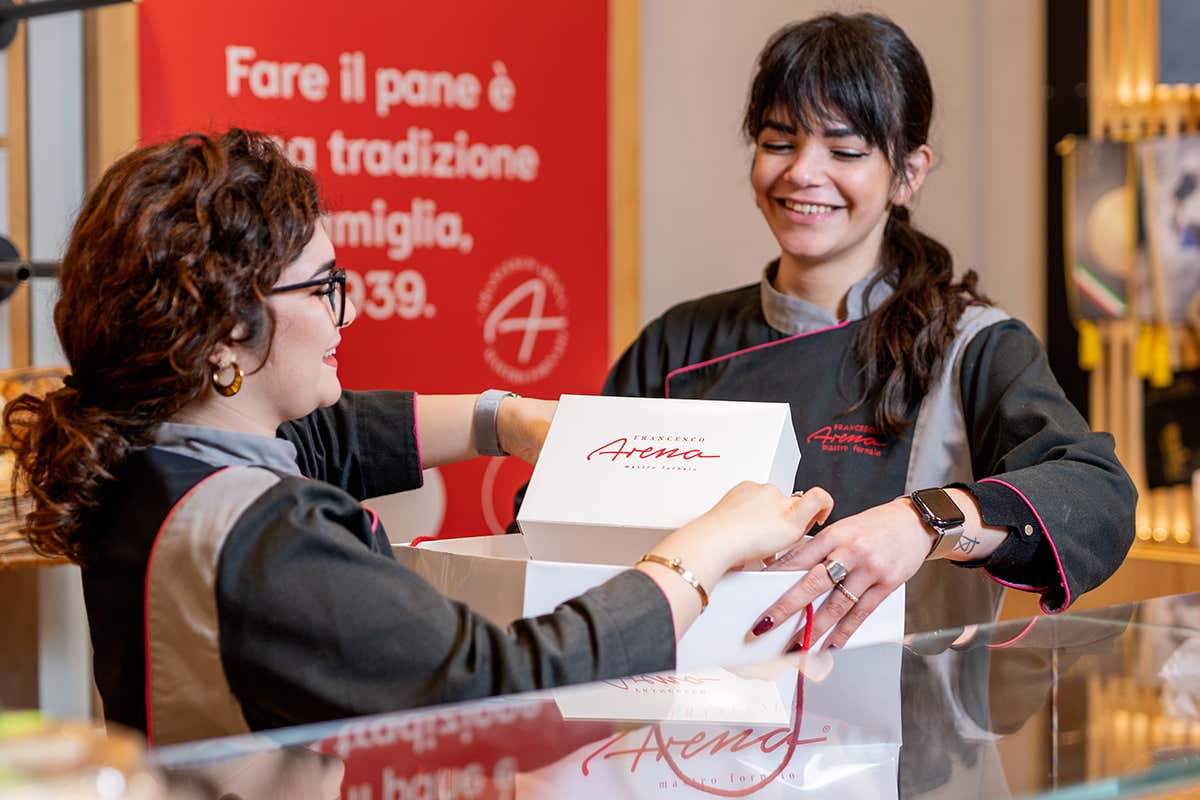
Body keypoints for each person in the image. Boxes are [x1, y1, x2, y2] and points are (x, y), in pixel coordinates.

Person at [2, 129, 834, 746]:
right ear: (224, 331)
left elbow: (325, 440)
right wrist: (703, 549)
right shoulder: (269, 538)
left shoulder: (151, 451)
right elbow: (505, 691)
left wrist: (504, 421)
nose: (348, 312)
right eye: (324, 288)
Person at [603, 13, 1137, 649]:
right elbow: (559, 513)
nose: (803, 172)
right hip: (686, 705)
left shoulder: (974, 345)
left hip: (914, 708)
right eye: (778, 142)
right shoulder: (677, 342)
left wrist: (925, 521)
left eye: (846, 151)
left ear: (909, 173)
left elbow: (1097, 497)